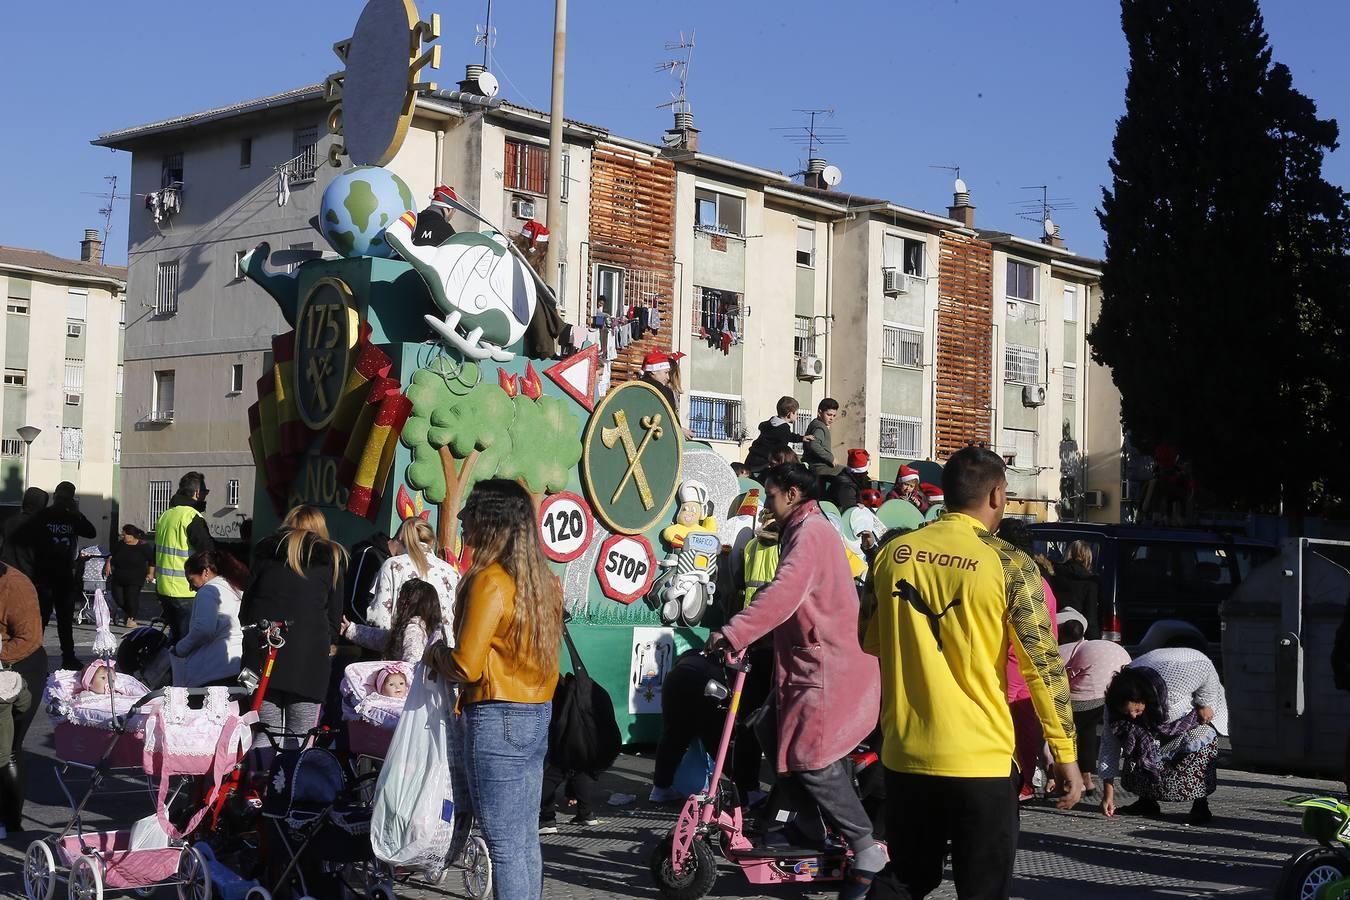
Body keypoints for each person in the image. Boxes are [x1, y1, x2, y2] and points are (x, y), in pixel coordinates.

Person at [864, 446, 1082, 900]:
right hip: (982, 761)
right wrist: (1066, 756)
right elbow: (1044, 668)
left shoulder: (894, 554)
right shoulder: (1011, 564)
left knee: (906, 879)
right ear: (998, 495)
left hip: (907, 754)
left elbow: (869, 639)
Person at [709, 464, 886, 900]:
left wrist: (734, 632)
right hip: (809, 666)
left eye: (770, 496)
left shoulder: (810, 533)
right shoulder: (802, 528)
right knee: (769, 727)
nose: (766, 505)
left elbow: (786, 593)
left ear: (791, 494)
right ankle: (809, 827)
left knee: (813, 758)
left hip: (829, 668)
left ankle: (865, 846)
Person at [424, 480, 562, 900]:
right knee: (523, 840)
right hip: (536, 713)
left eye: (468, 511)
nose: (461, 518)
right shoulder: (542, 580)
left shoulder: (489, 580)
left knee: (503, 843)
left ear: (488, 520)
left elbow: (465, 664)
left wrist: (434, 657)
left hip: (496, 717)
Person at [241, 506, 345, 748]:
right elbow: (334, 616)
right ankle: (294, 783)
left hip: (264, 653)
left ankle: (263, 782)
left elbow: (247, 605)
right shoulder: (331, 557)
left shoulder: (266, 552)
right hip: (309, 659)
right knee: (302, 734)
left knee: (265, 732)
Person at [1097, 648, 1227, 826]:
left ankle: (1200, 806)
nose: (1133, 716)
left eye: (1136, 710)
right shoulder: (1114, 705)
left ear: (1144, 699)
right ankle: (1146, 802)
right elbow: (1109, 745)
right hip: (1156, 718)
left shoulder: (1177, 681)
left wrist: (1206, 703)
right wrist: (1108, 796)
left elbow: (1205, 668)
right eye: (1128, 713)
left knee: (1199, 744)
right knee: (1136, 742)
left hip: (1192, 707)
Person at [997, 517, 1060, 800]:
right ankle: (1026, 778)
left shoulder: (1010, 576)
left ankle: (1020, 780)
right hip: (1036, 660)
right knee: (1027, 723)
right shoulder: (1040, 580)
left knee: (1010, 723)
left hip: (1012, 660)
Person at [15, 481, 96, 670]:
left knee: (62, 621)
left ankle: (67, 657)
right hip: (45, 575)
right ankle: (36, 656)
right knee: (45, 620)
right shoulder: (43, 516)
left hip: (62, 576)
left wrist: (77, 514)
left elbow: (91, 532)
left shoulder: (71, 517)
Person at [1056, 608, 1131, 797]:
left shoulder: (1062, 651)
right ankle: (1090, 779)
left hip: (1089, 696)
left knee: (1078, 732)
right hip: (1121, 690)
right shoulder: (1100, 644)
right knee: (1095, 734)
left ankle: (1079, 779)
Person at [0, 559, 43, 837]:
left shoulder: (14, 585)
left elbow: (29, 638)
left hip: (18, 671)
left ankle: (11, 822)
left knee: (8, 748)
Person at [365, 517, 459, 633]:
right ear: (431, 540)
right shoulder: (452, 572)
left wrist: (354, 632)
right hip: (443, 648)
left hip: (402, 648)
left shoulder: (393, 565)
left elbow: (380, 622)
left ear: (401, 537)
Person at [172, 550, 248, 688]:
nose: (191, 588)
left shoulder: (207, 592)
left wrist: (180, 648)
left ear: (205, 572)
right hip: (237, 663)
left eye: (191, 580)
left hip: (214, 668)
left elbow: (204, 630)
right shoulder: (234, 588)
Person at [153, 472, 214, 644]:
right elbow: (207, 550)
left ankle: (169, 669)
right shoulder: (191, 516)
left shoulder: (166, 515)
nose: (204, 497)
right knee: (188, 642)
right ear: (196, 493)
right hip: (185, 589)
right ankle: (182, 671)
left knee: (176, 638)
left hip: (164, 588)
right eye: (204, 492)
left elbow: (156, 550)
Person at [343, 578, 447, 664]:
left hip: (406, 686)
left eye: (401, 597)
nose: (397, 602)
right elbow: (382, 638)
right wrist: (352, 629)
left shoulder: (413, 630)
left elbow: (412, 663)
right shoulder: (430, 630)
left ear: (408, 603)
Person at [744, 396, 813, 475]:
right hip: (764, 464)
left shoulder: (771, 424)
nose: (797, 416)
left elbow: (788, 435)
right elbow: (782, 450)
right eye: (796, 413)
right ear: (790, 414)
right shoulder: (784, 429)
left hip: (752, 459)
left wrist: (801, 438)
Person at [104, 525, 155, 627]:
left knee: (131, 598)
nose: (123, 536)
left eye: (125, 534)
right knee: (118, 598)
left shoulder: (143, 546)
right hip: (119, 576)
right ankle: (129, 613)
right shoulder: (120, 544)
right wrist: (108, 563)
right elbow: (111, 555)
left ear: (132, 536)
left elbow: (152, 561)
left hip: (135, 578)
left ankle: (131, 619)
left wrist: (150, 573)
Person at [343, 529, 397, 623]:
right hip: (356, 629)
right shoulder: (368, 554)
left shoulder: (398, 563)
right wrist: (365, 630)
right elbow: (353, 599)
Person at [1051, 539, 1101, 639]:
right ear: (1088, 557)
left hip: (1053, 628)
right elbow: (1091, 618)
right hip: (1077, 632)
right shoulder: (1090, 581)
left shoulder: (1054, 573)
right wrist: (1094, 640)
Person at [639, 351, 693, 440]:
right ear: (654, 371)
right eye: (666, 372)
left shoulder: (636, 385)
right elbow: (671, 422)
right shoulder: (665, 391)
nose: (668, 377)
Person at [0, 487, 48, 580]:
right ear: (40, 505)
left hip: (6, 576)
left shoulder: (8, 522)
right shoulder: (42, 528)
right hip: (29, 579)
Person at [802, 398, 840, 476]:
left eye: (834, 415)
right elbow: (814, 445)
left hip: (814, 465)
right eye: (829, 414)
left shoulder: (815, 423)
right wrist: (831, 458)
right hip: (819, 467)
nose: (831, 418)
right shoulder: (820, 427)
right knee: (848, 473)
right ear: (820, 412)